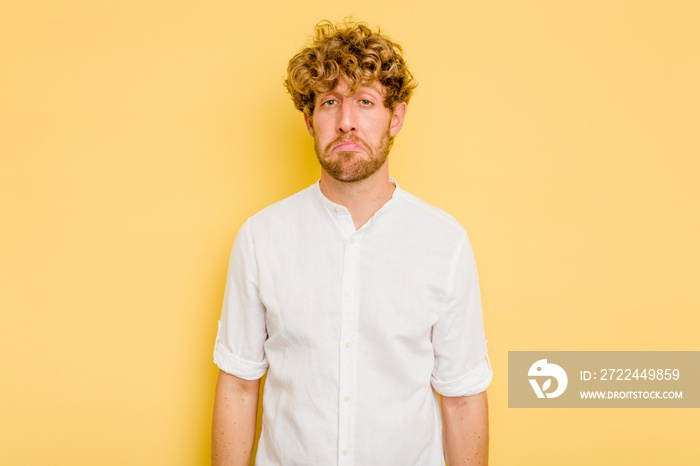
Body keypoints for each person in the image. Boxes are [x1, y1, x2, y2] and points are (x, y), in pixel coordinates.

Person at [212, 19, 492, 465]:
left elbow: (462, 398)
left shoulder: (446, 244)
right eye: (329, 102)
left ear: (395, 117)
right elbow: (240, 385)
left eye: (365, 101)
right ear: (309, 120)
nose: (346, 122)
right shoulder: (260, 239)